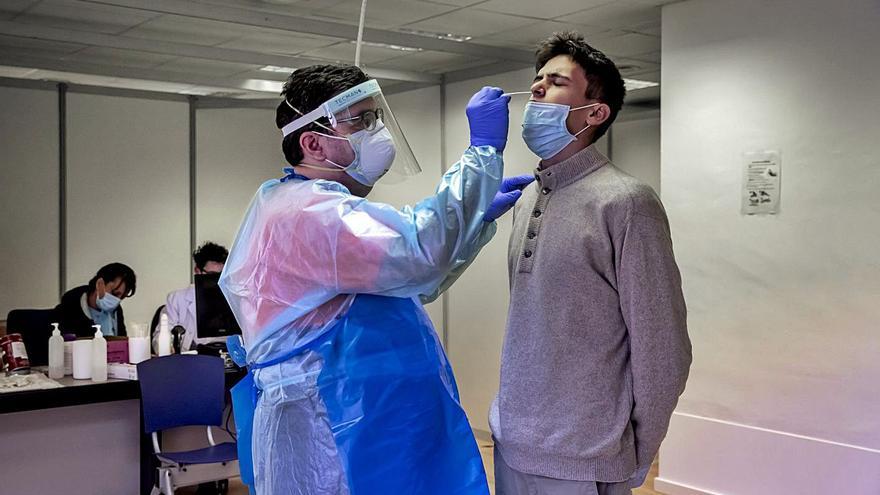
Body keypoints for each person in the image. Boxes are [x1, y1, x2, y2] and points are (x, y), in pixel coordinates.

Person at [220, 64, 527, 494]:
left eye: (376, 118)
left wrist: (473, 223)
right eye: (361, 121)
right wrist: (480, 156)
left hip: (372, 430)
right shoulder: (309, 214)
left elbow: (414, 281)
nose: (376, 131)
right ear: (312, 141)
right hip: (335, 436)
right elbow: (418, 253)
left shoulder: (309, 206)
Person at [490, 32, 692, 495]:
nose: (537, 88)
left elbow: (662, 347)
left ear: (595, 113)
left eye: (556, 82)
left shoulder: (626, 203)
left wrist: (634, 451)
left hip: (585, 457)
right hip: (512, 443)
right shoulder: (527, 198)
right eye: (537, 79)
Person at [152, 241, 228, 353]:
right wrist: (169, 347)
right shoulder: (177, 299)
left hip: (224, 362)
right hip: (188, 362)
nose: (216, 281)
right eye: (211, 275)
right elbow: (159, 339)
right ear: (197, 271)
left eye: (220, 276)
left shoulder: (233, 300)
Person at [55, 262, 137, 337]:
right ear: (99, 284)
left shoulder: (116, 311)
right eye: (114, 294)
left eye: (122, 297)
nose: (116, 300)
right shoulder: (68, 310)